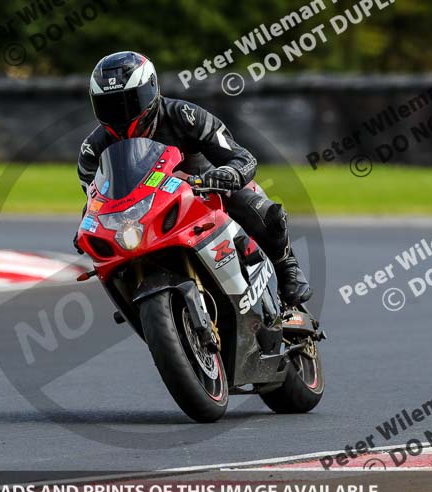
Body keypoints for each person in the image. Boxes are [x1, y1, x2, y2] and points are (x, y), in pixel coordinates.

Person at [76, 51, 311, 305]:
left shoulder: (186, 116)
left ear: (151, 90)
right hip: (148, 212)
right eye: (109, 106)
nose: (120, 114)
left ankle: (287, 267)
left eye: (128, 102)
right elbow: (96, 199)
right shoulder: (92, 150)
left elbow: (242, 158)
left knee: (258, 207)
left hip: (204, 191)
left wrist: (227, 174)